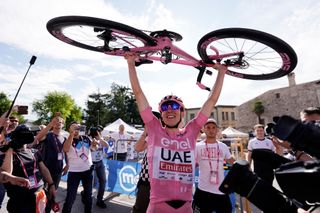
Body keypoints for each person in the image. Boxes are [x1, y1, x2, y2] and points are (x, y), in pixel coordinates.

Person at [124, 52, 227, 213]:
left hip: (186, 207)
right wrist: (131, 63)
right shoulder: (154, 128)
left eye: (174, 107)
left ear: (182, 112)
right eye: (165, 107)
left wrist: (221, 72)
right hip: (157, 206)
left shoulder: (192, 131)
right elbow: (138, 93)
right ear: (161, 114)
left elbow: (211, 100)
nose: (169, 110)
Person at [1, 125, 56, 213]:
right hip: (20, 201)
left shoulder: (34, 152)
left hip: (39, 195)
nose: (24, 138)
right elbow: (6, 172)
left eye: (27, 134)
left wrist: (51, 184)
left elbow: (44, 169)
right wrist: (11, 148)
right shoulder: (6, 155)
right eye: (21, 135)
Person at [193, 118, 235, 213]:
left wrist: (243, 166)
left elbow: (231, 160)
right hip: (203, 190)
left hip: (220, 191)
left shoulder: (223, 146)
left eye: (213, 128)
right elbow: (191, 163)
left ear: (217, 130)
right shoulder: (197, 146)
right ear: (204, 129)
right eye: (208, 127)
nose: (211, 130)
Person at [34, 113, 69, 213]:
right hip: (46, 169)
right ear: (53, 123)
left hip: (58, 170)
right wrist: (49, 124)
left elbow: (65, 152)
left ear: (63, 125)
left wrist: (68, 164)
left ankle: (47, 210)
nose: (58, 123)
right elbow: (38, 138)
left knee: (53, 193)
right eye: (56, 121)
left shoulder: (64, 138)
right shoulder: (48, 135)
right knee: (42, 193)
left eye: (61, 122)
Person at [62, 122, 95, 213]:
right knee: (71, 198)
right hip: (74, 172)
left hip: (88, 170)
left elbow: (92, 149)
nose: (77, 130)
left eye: (78, 128)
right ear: (70, 129)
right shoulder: (68, 138)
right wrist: (72, 134)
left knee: (89, 196)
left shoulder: (86, 138)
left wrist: (94, 144)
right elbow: (65, 149)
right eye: (74, 128)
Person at [88, 126, 109, 208]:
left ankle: (99, 200)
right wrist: (93, 144)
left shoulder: (101, 139)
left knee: (103, 180)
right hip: (91, 164)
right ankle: (85, 195)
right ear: (95, 133)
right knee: (91, 183)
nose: (101, 133)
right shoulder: (89, 139)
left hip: (100, 163)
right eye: (99, 132)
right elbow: (91, 149)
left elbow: (106, 145)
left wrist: (100, 138)